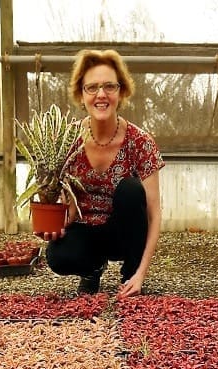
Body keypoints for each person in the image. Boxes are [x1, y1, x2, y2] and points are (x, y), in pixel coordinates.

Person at [44, 49, 164, 298]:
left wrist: (141, 274)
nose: (101, 94)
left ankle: (129, 276)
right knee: (58, 256)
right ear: (81, 93)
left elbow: (153, 214)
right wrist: (53, 219)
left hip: (121, 233)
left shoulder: (140, 142)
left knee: (130, 189)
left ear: (121, 92)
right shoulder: (66, 139)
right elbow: (57, 197)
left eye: (110, 86)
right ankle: (92, 269)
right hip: (85, 229)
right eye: (92, 87)